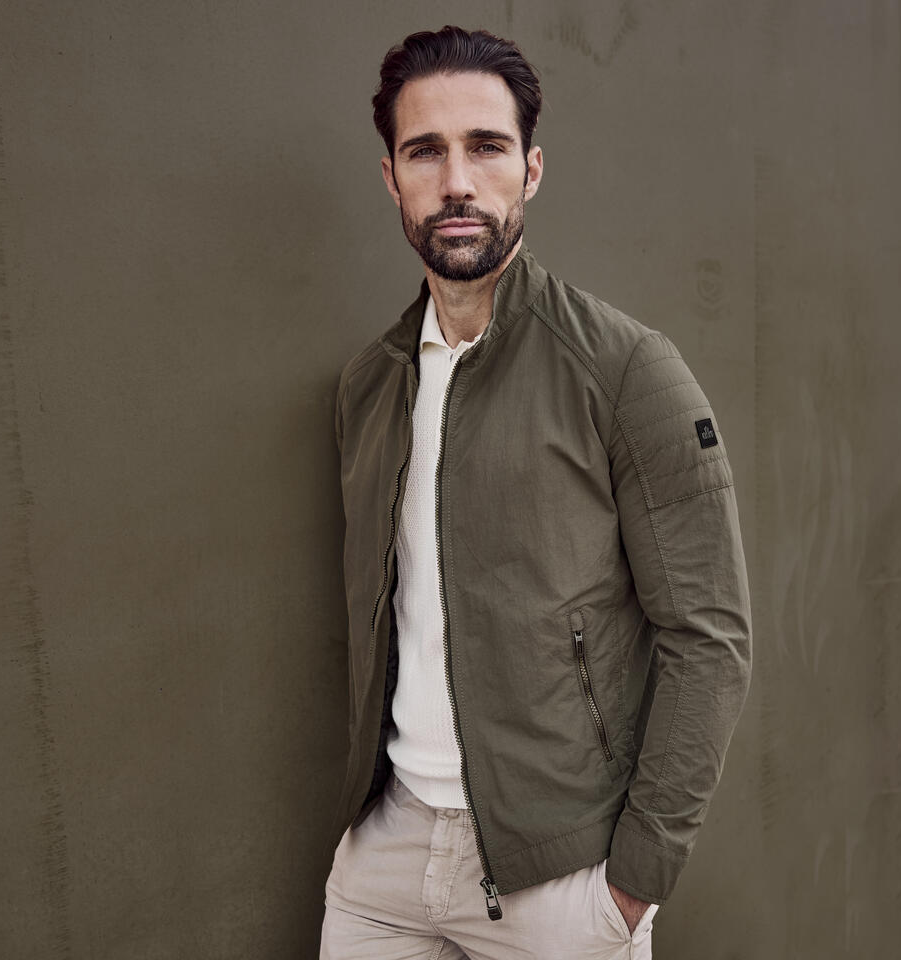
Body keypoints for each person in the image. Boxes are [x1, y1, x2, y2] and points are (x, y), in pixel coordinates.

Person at [321, 26, 751, 959]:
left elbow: (709, 636)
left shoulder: (625, 370)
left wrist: (634, 883)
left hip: (559, 874)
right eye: (425, 151)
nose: (457, 181)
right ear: (391, 179)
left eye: (487, 146)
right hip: (384, 858)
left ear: (532, 169)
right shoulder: (369, 387)